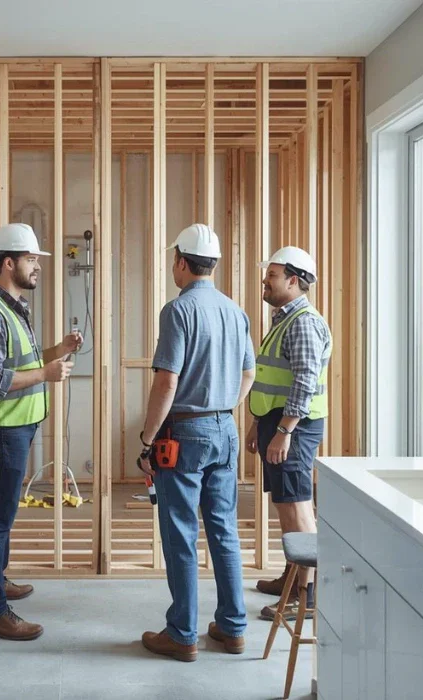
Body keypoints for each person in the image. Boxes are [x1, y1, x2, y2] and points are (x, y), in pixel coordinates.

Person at [136, 223, 255, 662]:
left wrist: (147, 439)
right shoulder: (234, 311)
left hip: (183, 433)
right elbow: (248, 374)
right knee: (223, 529)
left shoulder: (178, 310)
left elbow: (167, 382)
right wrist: (224, 407)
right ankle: (232, 627)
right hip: (223, 428)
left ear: (182, 262)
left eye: (174, 260)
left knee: (182, 532)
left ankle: (182, 634)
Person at [0, 223, 82, 641]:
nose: (37, 267)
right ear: (8, 262)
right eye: (32, 260)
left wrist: (58, 351)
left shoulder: (14, 310)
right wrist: (48, 374)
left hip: (14, 426)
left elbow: (21, 364)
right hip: (2, 429)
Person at [246, 247, 332, 622]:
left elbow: (304, 383)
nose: (266, 281)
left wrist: (282, 432)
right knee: (285, 501)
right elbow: (272, 378)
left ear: (293, 280)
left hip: (293, 426)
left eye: (273, 275)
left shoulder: (303, 323)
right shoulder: (285, 319)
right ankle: (293, 575)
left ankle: (309, 596)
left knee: (297, 505)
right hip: (278, 422)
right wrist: (258, 422)